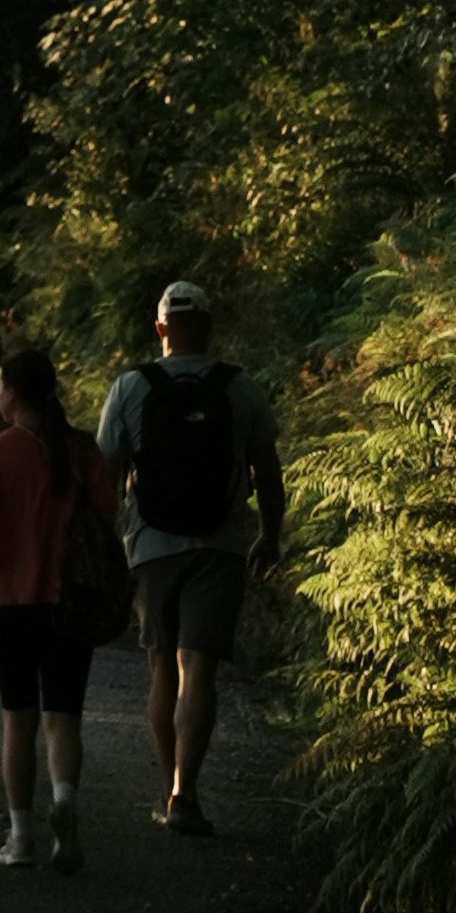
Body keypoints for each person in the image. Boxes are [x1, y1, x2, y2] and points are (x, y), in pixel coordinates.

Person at [97, 274, 287, 837]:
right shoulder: (240, 386)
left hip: (151, 544)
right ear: (207, 328)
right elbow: (268, 473)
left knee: (161, 666)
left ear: (161, 328)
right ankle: (187, 792)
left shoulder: (131, 387)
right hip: (220, 543)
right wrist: (270, 536)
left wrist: (106, 543)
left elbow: (105, 474)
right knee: (197, 669)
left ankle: (166, 786)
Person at [0, 340, 112, 872]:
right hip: (71, 600)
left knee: (17, 720)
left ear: (13, 394)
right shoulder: (85, 451)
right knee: (63, 718)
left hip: (11, 602)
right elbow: (107, 518)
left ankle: (20, 839)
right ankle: (63, 803)